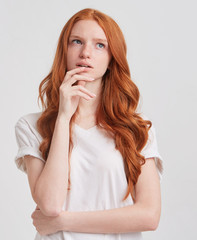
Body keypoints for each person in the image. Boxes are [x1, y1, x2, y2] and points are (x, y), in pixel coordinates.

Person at [14, 8, 163, 240]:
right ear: (64, 51)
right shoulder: (31, 126)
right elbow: (51, 204)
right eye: (76, 42)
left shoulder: (137, 129)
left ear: (112, 58)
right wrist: (63, 118)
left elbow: (149, 216)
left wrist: (63, 222)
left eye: (99, 45)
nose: (85, 53)